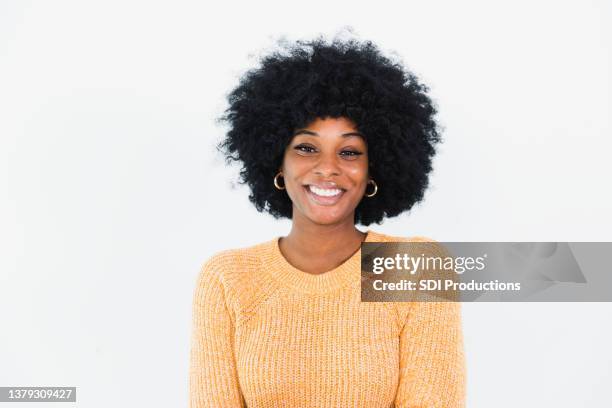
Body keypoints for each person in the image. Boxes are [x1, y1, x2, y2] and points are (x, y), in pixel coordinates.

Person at [189, 32, 466, 407]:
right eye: (306, 148)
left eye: (350, 152)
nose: (327, 169)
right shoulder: (228, 278)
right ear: (278, 163)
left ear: (373, 170)